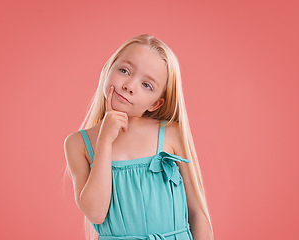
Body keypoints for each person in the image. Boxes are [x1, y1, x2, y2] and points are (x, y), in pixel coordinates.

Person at [64, 34, 214, 240]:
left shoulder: (170, 133)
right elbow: (96, 213)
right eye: (124, 71)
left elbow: (197, 212)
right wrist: (105, 140)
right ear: (108, 68)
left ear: (155, 104)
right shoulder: (78, 143)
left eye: (146, 85)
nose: (130, 86)